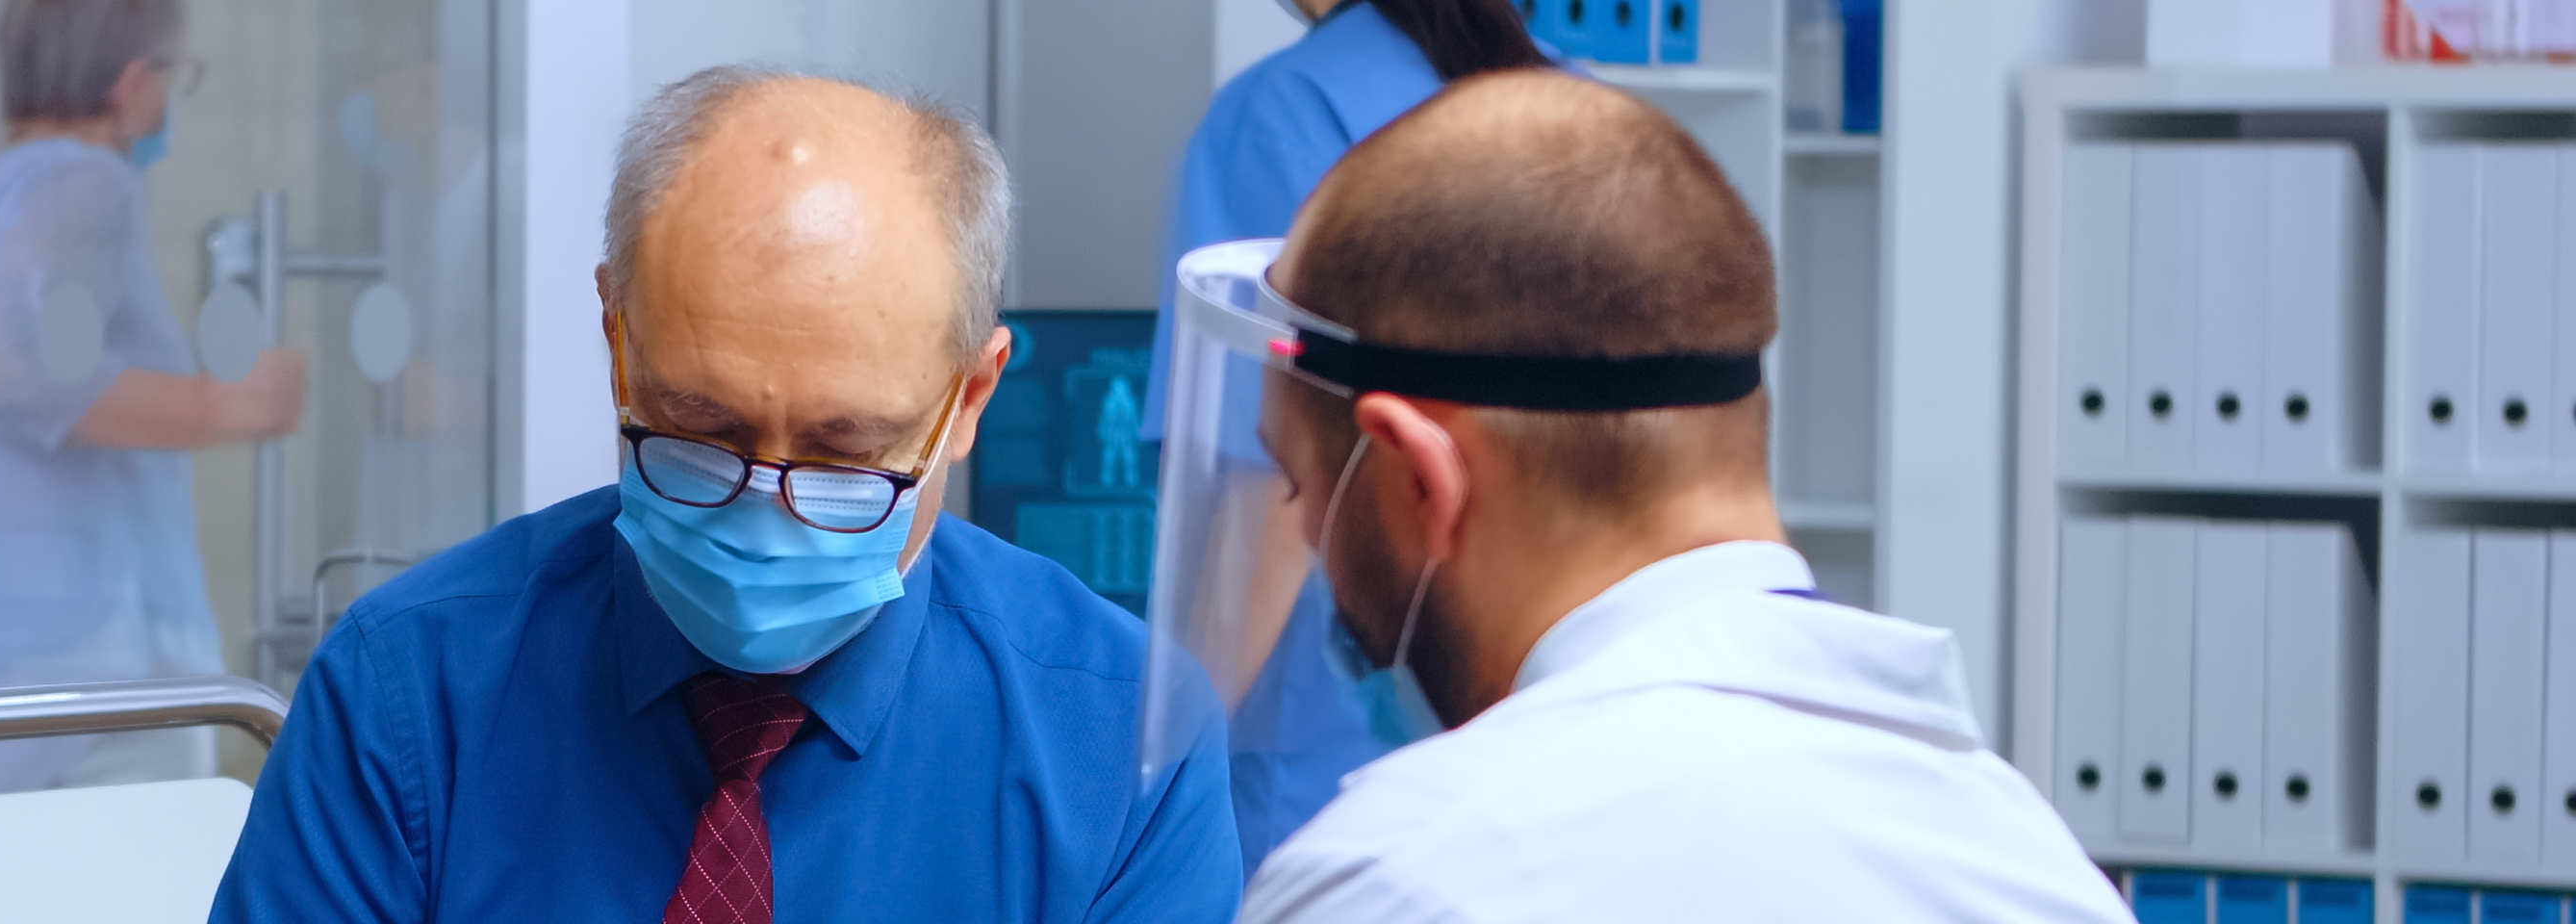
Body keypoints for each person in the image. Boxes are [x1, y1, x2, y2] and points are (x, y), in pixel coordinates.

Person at [210, 66, 1241, 922]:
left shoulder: (1120, 749)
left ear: (969, 399)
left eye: (845, 453)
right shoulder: (413, 697)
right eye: (702, 431)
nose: (768, 510)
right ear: (619, 349)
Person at [1185, 71, 2129, 921]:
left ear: (1423, 476)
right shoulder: (2032, 868)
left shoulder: (1404, 879)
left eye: (1304, 486)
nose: (1306, 531)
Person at [0, 0, 306, 799]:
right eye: (172, 75)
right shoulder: (84, 179)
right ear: (130, 83)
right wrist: (225, 404)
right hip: (71, 697)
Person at [1137, 0, 1561, 867]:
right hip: (1534, 744)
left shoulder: (1283, 117)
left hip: (1318, 774)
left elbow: (1268, 499)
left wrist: (1143, 784)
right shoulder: (1575, 105)